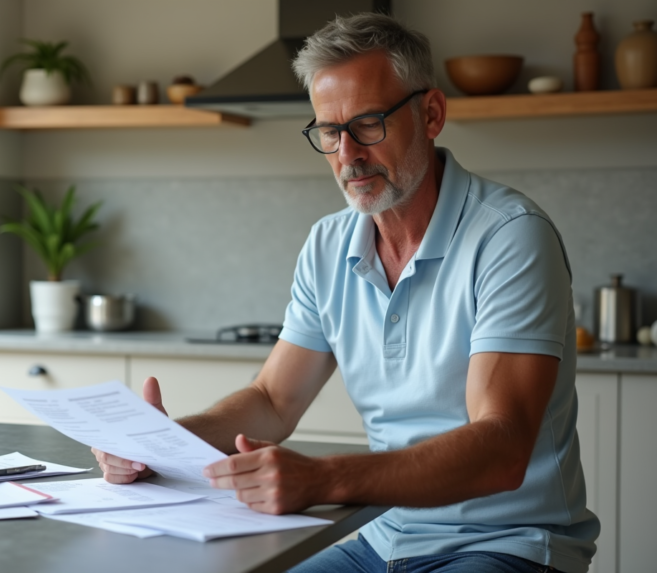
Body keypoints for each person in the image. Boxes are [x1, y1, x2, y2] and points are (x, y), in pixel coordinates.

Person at [93, 12, 599, 573]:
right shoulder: (329, 243)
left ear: (431, 114)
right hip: (380, 539)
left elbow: (501, 448)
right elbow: (272, 401)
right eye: (330, 132)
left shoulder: (509, 236)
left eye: (369, 124)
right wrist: (162, 443)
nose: (347, 154)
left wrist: (325, 478)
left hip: (505, 544)